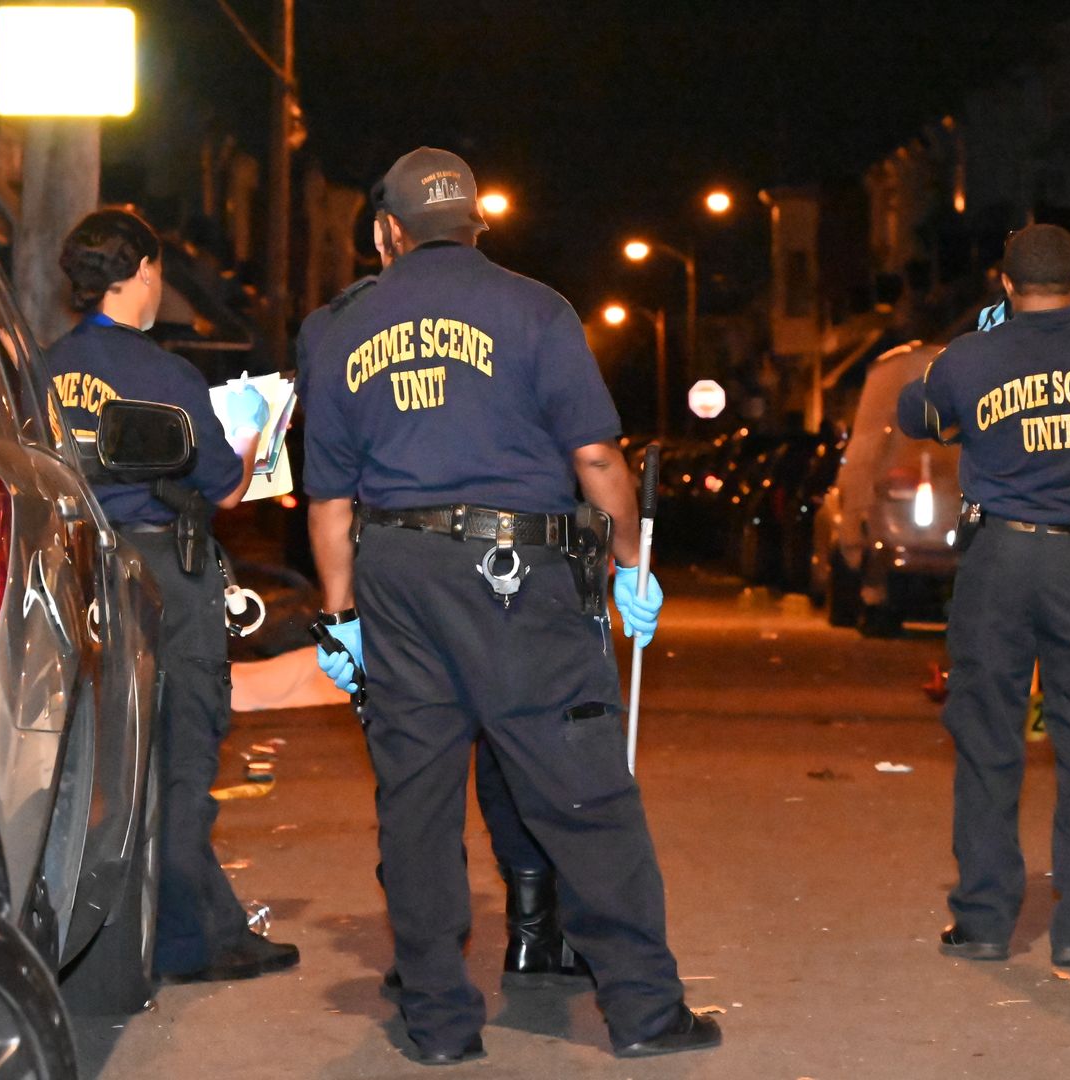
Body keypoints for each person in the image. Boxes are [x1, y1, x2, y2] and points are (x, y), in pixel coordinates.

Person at [303, 147, 718, 1065]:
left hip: (399, 575)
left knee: (417, 801)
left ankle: (441, 1025)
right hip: (521, 579)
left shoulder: (336, 330)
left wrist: (340, 616)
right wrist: (629, 562)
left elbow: (328, 500)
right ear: (477, 227)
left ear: (387, 232)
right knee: (586, 798)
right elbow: (599, 460)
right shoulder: (536, 310)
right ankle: (645, 1014)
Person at [295, 277, 587, 992]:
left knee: (414, 777)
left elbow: (327, 471)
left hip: (391, 563)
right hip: (495, 561)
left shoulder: (333, 327)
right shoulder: (507, 309)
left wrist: (339, 613)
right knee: (510, 754)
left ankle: (427, 954)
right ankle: (529, 928)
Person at [897, 224, 1070, 969]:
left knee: (989, 739)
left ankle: (984, 921)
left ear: (1006, 283)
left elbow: (913, 413)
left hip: (997, 558)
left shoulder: (975, 353)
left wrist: (976, 346)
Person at [45, 208, 301, 983]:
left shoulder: (42, 366)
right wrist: (260, 427)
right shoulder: (165, 374)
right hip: (166, 577)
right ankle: (188, 942)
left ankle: (194, 923)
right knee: (184, 754)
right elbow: (226, 487)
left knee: (105, 758)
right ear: (146, 272)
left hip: (77, 574)